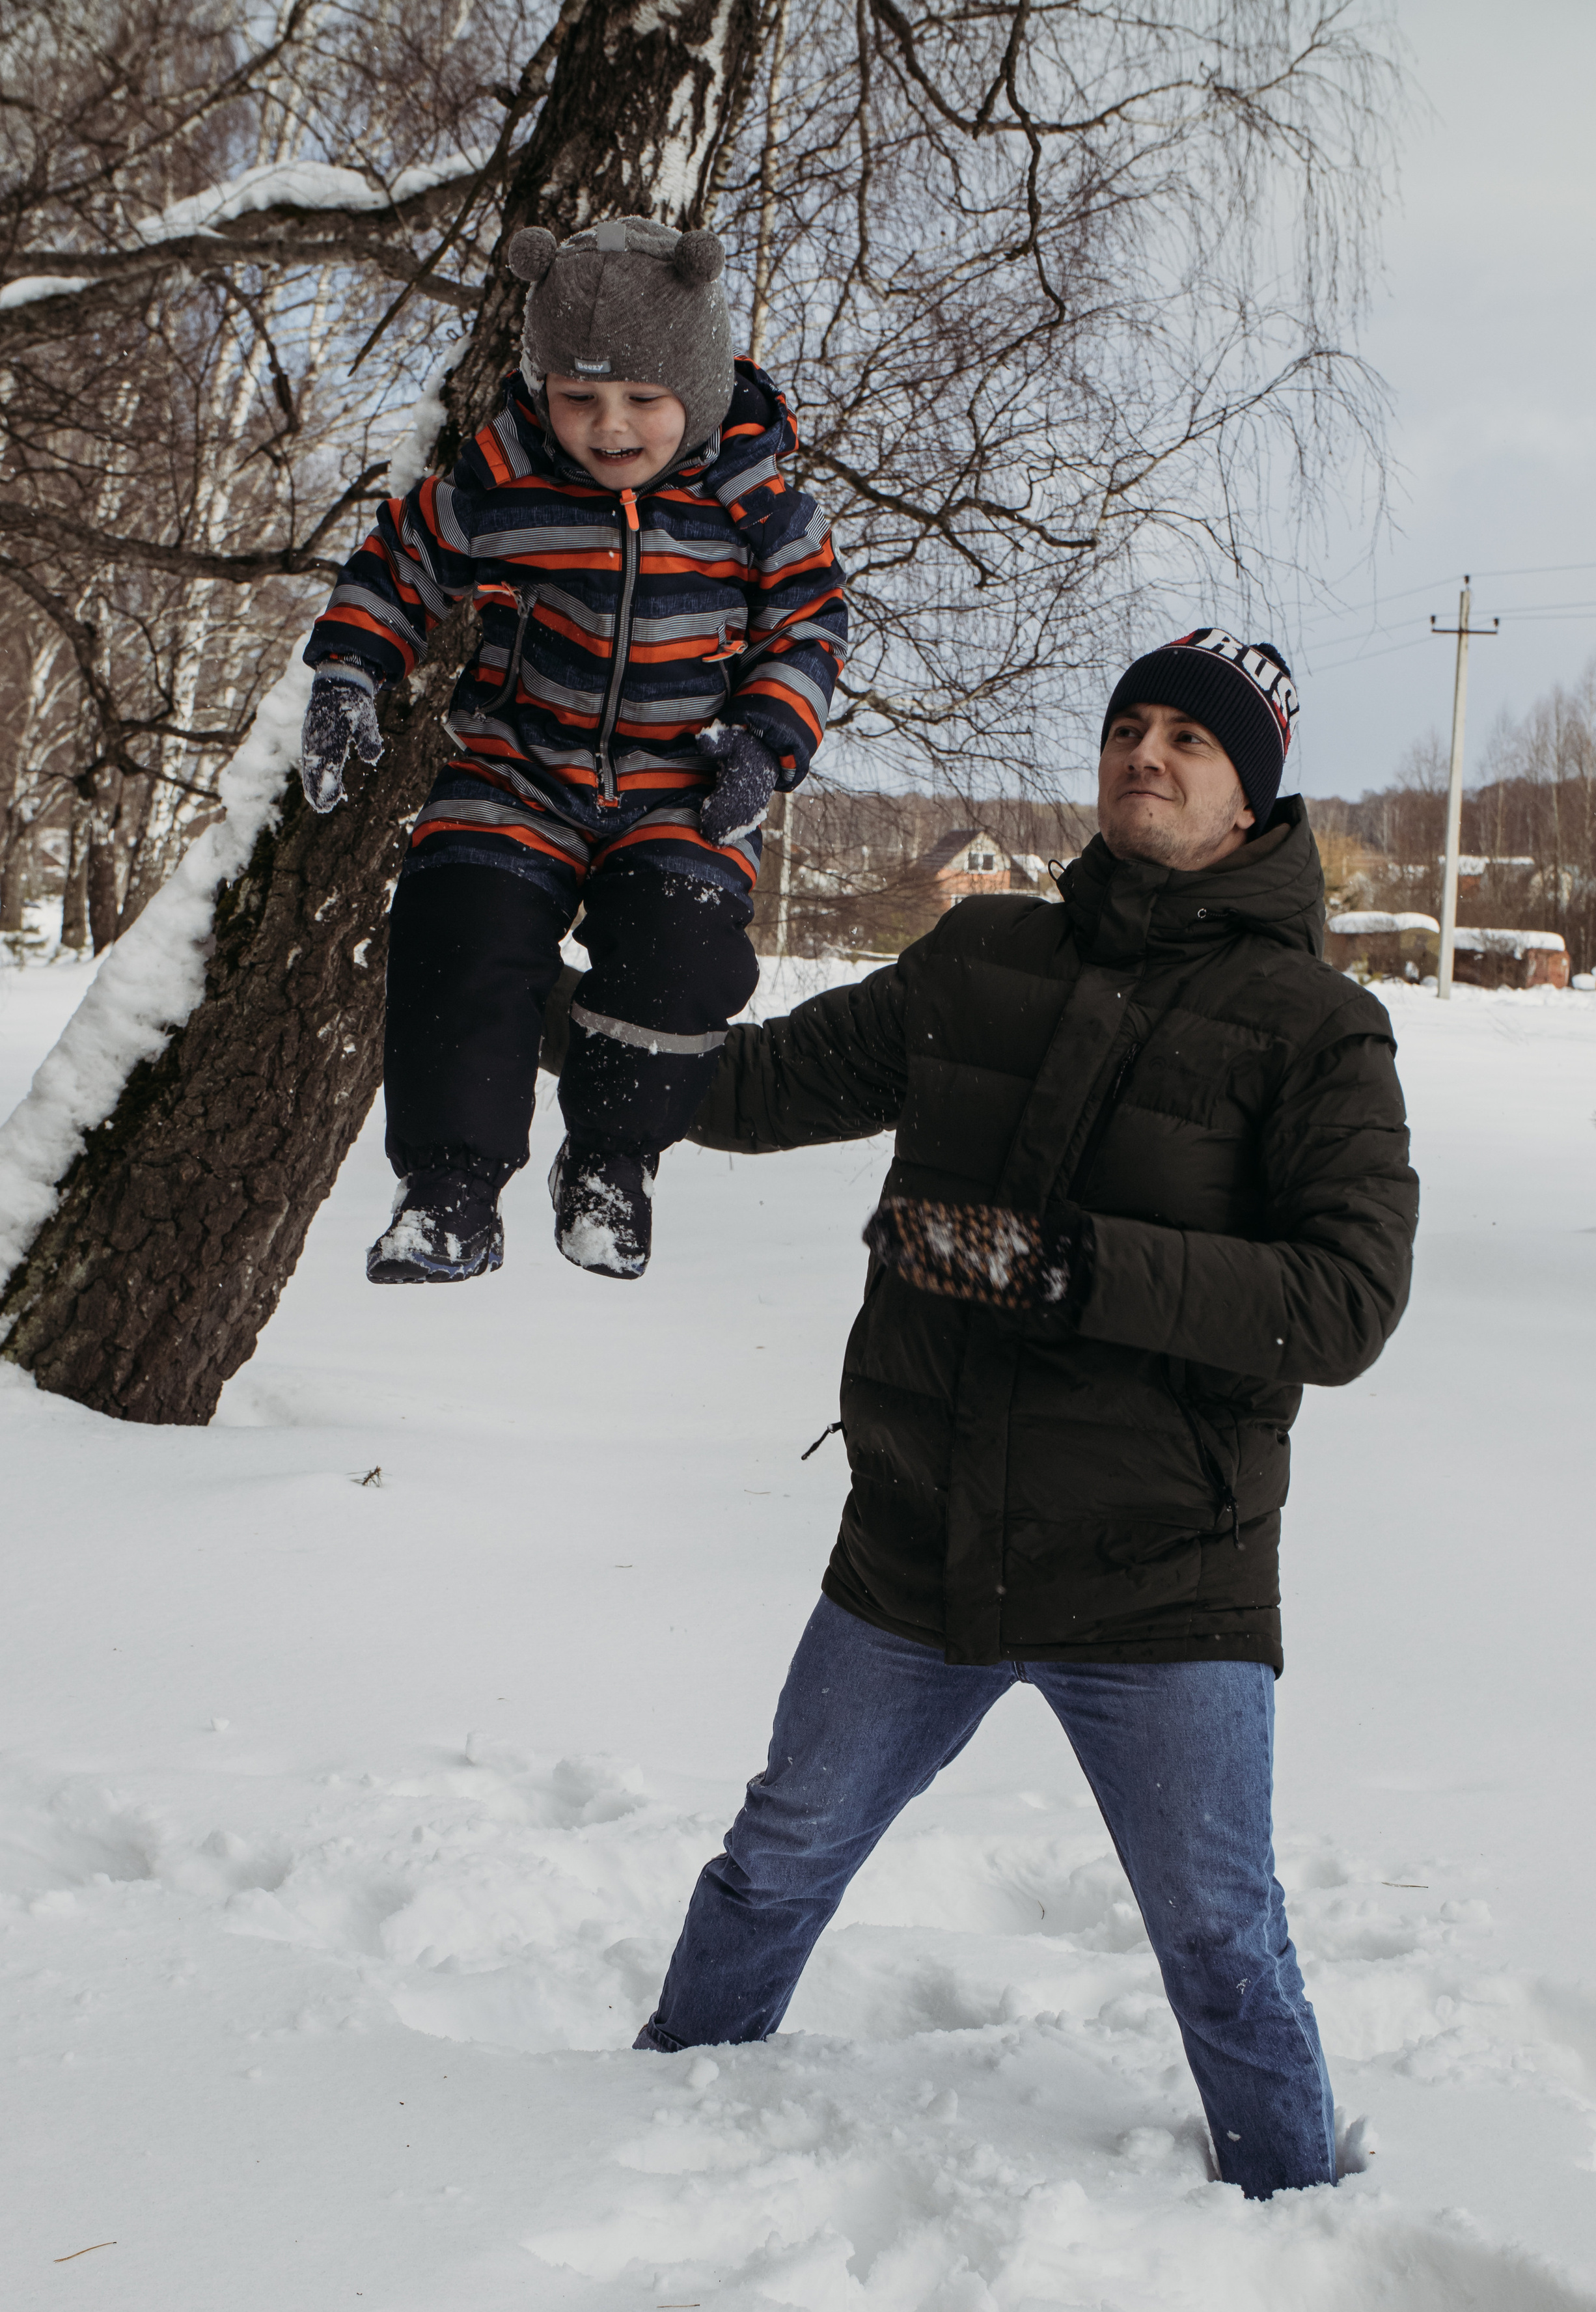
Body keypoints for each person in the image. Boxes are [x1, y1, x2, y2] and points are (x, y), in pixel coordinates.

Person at [611, 629, 1419, 2199]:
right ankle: (645, 2122)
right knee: (777, 1855)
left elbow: (1342, 1301)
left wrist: (1073, 1269)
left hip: (1159, 1576)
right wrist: (558, 1017)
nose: (1145, 753)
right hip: (918, 1543)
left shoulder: (1315, 1024)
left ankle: (1293, 2219)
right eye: (1128, 726)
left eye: (1188, 737)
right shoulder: (981, 952)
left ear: (1250, 794)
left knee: (1219, 1935)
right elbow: (758, 1085)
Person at [297, 217, 846, 1283]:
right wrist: (350, 670)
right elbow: (400, 562)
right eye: (579, 396)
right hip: (516, 769)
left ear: (699, 385)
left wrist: (767, 740)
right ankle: (450, 1190)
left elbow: (811, 619)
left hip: (684, 785)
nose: (609, 426)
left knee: (683, 951)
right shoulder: (502, 481)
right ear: (541, 385)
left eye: (643, 397)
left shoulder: (755, 499)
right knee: (459, 926)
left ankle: (609, 1164)